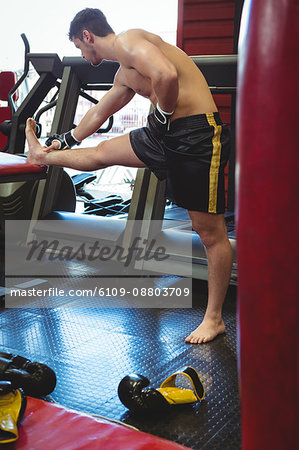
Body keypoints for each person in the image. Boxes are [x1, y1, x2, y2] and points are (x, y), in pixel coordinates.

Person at [25, 8, 233, 344]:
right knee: (101, 154)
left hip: (195, 133)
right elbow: (97, 112)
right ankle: (42, 156)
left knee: (208, 232)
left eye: (79, 46)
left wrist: (162, 118)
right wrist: (64, 139)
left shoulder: (130, 40)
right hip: (164, 131)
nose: (82, 53)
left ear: (87, 36)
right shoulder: (124, 72)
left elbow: (166, 76)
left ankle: (214, 318)